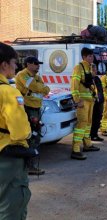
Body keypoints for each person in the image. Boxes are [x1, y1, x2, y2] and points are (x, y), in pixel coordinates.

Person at [0, 42, 33, 219]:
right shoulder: (8, 92)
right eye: (14, 62)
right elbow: (20, 132)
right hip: (7, 158)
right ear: (4, 65)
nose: (16, 66)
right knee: (11, 208)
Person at [15, 56, 50, 175]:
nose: (38, 65)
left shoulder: (36, 77)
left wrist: (41, 88)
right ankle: (29, 166)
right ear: (28, 64)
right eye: (35, 63)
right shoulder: (22, 74)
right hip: (28, 109)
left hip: (36, 108)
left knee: (36, 135)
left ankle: (30, 165)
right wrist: (40, 88)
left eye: (39, 63)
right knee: (32, 137)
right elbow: (35, 87)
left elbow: (46, 89)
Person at [70, 47, 100, 160]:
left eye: (92, 56)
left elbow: (90, 84)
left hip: (90, 101)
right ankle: (75, 149)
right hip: (82, 101)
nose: (92, 58)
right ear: (84, 57)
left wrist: (95, 95)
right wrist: (77, 100)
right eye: (90, 56)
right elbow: (74, 84)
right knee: (81, 124)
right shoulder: (79, 68)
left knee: (88, 123)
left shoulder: (89, 68)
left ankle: (87, 145)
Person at [90, 63, 104, 141]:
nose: (95, 71)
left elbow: (100, 90)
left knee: (98, 119)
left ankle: (95, 134)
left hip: (99, 102)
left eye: (95, 70)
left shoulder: (97, 79)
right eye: (93, 70)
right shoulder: (89, 79)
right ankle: (92, 135)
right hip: (93, 103)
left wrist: (102, 99)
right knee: (93, 120)